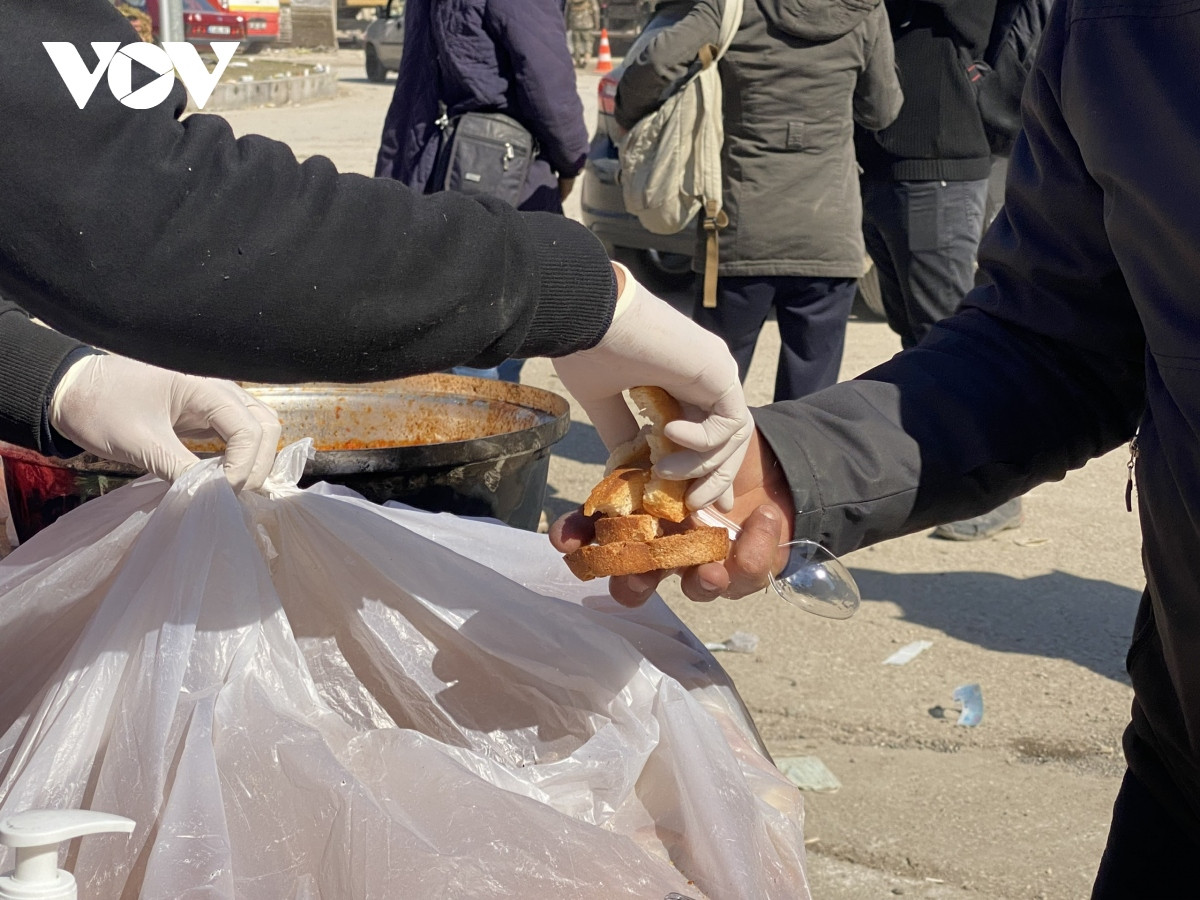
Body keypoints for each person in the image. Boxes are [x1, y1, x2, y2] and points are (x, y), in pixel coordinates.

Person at [557, 0, 1200, 893]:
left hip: (745, 225)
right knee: (790, 372)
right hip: (1186, 748)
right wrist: (786, 468)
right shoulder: (1124, 25)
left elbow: (644, 81)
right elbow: (1059, 337)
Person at [0, 0, 751, 516]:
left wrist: (44, 374)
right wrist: (577, 288)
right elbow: (145, 198)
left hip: (435, 166)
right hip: (495, 176)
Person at [614, 0, 902, 403]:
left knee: (709, 393)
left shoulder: (733, 5)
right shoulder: (864, 9)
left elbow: (657, 61)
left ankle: (704, 465)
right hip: (829, 231)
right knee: (809, 403)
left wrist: (627, 115)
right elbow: (882, 110)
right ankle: (789, 465)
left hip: (740, 230)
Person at [855, 0, 1024, 539]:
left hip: (941, 161)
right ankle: (944, 474)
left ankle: (994, 493)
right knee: (917, 340)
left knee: (952, 341)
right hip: (883, 163)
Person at [373, 0, 591, 384]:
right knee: (493, 341)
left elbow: (411, 91)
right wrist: (571, 159)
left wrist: (393, 180)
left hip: (435, 173)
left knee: (453, 332)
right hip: (502, 175)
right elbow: (548, 82)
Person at [566, 0, 601, 68]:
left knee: (576, 42)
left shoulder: (570, 1)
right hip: (587, 23)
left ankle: (577, 60)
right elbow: (596, 11)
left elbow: (567, 12)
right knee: (588, 42)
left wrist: (567, 24)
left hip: (574, 23)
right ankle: (586, 59)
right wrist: (597, 24)